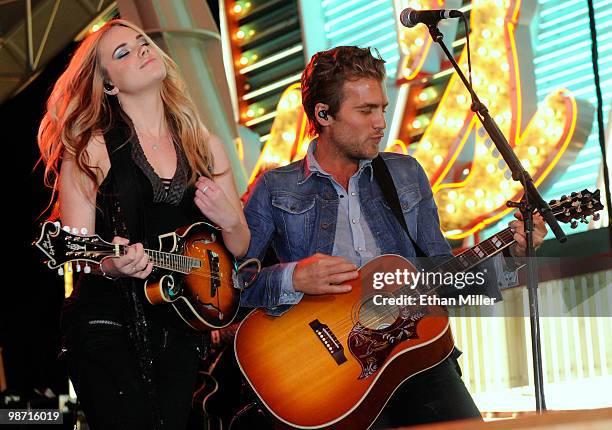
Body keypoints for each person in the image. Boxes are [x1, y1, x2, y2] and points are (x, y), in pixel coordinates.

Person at [239, 46, 547, 428]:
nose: (380, 123)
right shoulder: (275, 187)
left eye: (382, 108)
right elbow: (233, 286)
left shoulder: (405, 174)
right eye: (366, 111)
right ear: (323, 114)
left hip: (413, 355)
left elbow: (442, 275)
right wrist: (292, 277)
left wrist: (512, 255)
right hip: (329, 376)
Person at [37, 19, 250, 430]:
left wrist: (228, 219)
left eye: (142, 42)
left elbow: (239, 247)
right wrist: (111, 265)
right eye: (123, 53)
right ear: (109, 85)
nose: (142, 50)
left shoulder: (204, 144)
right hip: (106, 324)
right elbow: (78, 253)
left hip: (179, 325)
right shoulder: (90, 147)